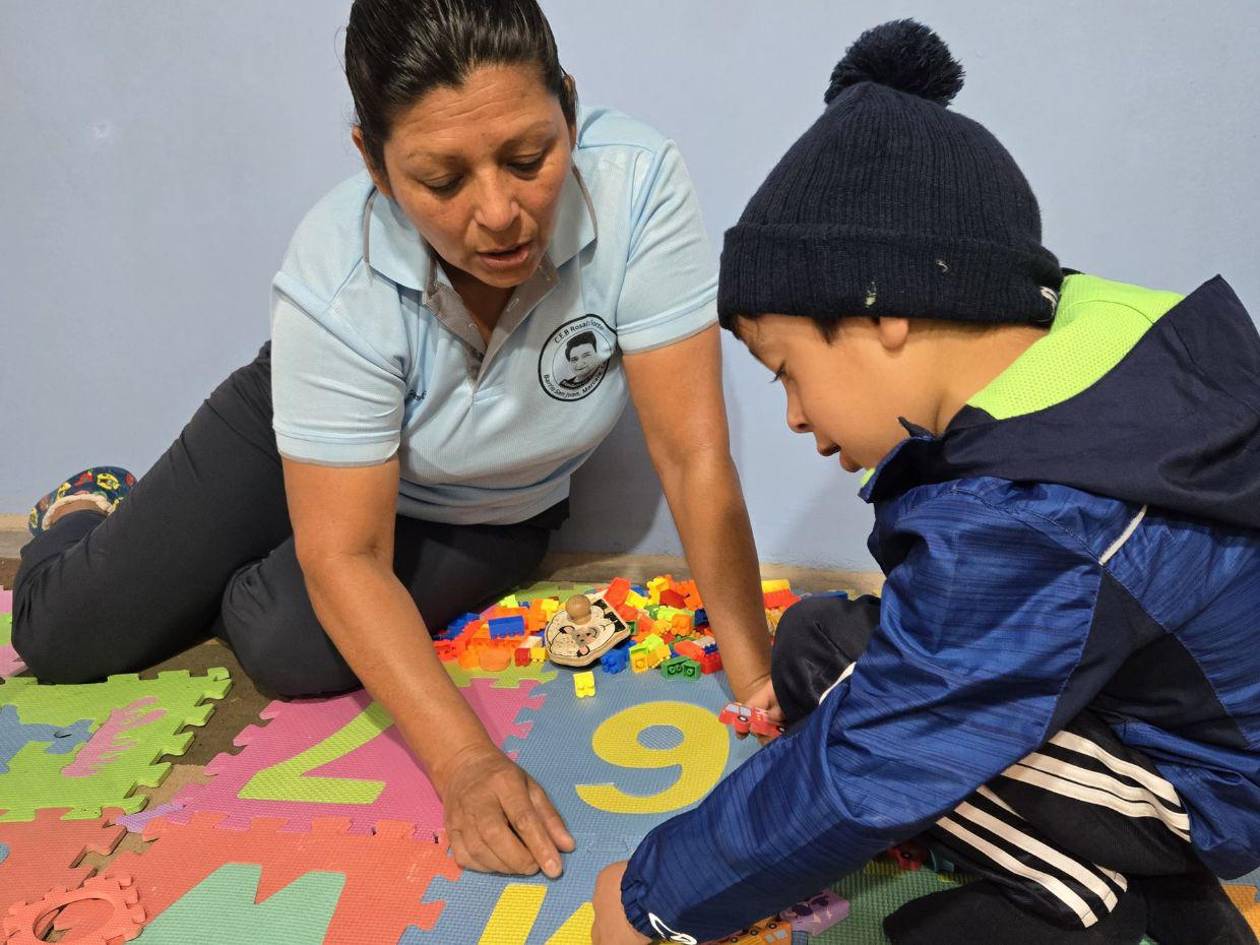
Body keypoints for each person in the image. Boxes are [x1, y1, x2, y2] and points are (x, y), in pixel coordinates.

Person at [13, 0, 775, 884]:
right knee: (62, 638)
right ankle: (94, 501)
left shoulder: (640, 186)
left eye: (530, 159)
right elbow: (345, 554)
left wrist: (762, 688)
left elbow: (692, 456)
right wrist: (467, 764)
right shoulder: (335, 271)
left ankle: (212, 548)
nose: (500, 213)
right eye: (442, 181)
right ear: (373, 163)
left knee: (285, 643)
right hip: (298, 431)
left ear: (568, 104)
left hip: (490, 505)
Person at [592, 20, 1259, 945]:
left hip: (1200, 780)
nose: (791, 413)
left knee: (899, 822)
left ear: (883, 312)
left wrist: (654, 900)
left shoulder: (1034, 517)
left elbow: (879, 756)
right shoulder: (1068, 342)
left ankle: (1132, 907)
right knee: (819, 642)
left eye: (787, 368)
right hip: (1139, 688)